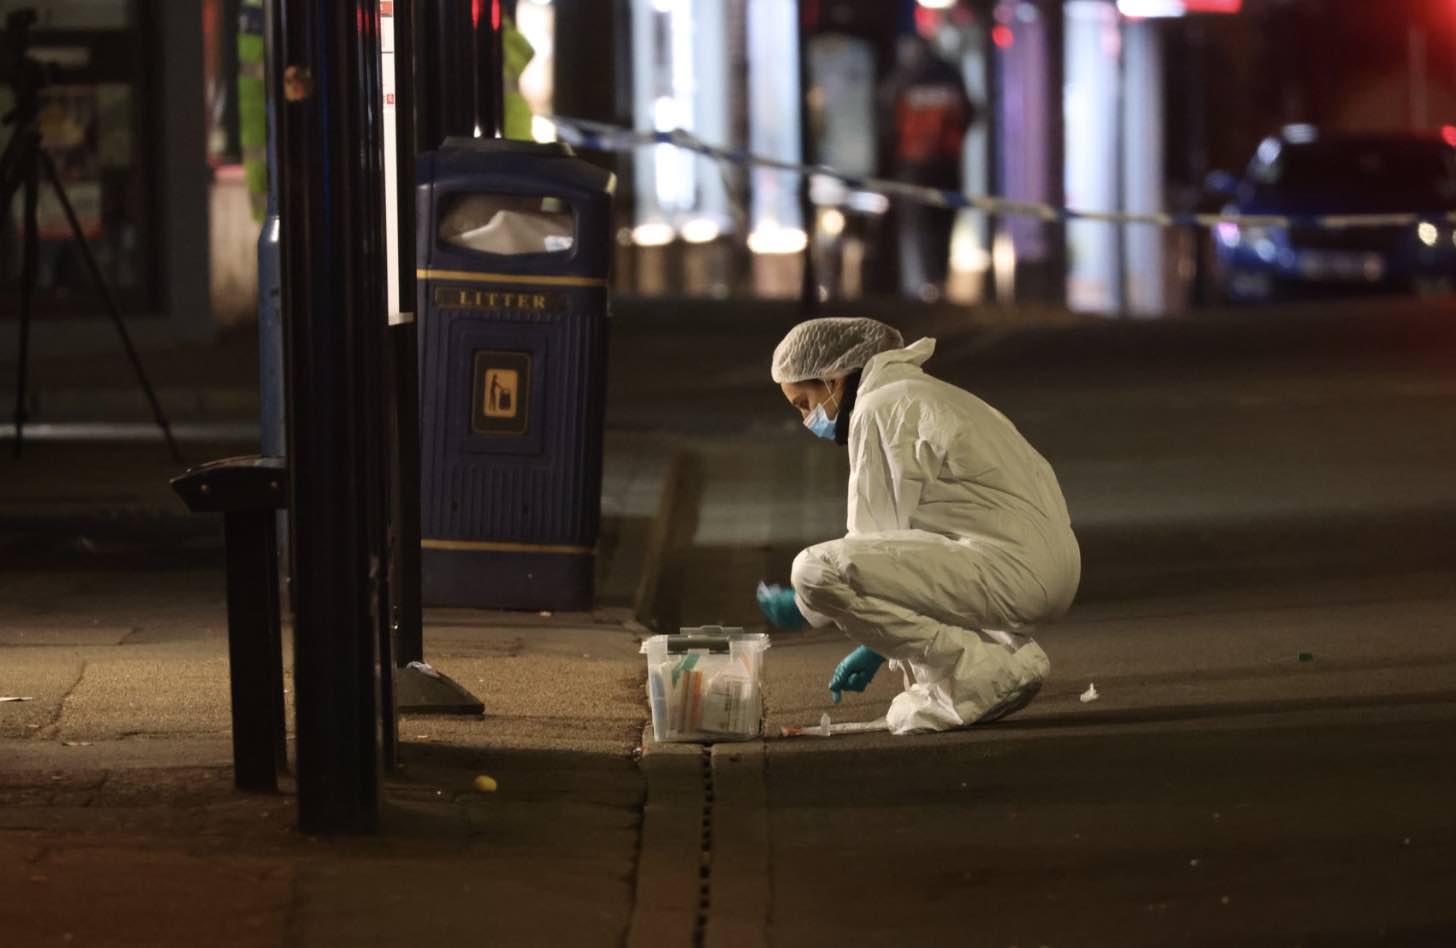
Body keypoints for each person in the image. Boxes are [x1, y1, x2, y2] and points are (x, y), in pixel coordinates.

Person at [756, 317, 1080, 735]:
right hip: (1043, 568)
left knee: (814, 570)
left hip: (1014, 571)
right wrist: (873, 643)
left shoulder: (880, 408)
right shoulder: (927, 395)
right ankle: (1005, 658)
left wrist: (805, 606)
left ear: (833, 378)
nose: (807, 418)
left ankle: (978, 671)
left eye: (804, 403)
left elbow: (870, 542)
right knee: (901, 558)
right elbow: (903, 556)